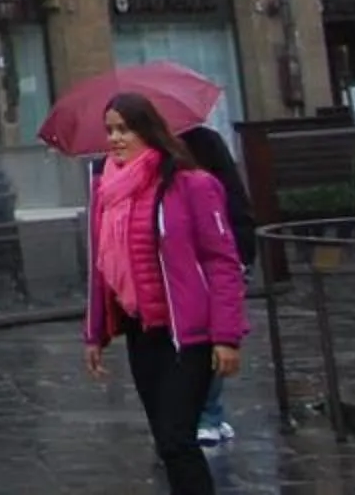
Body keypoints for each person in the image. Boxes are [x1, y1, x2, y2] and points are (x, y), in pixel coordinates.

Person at [83, 91, 247, 495]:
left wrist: (226, 336)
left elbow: (222, 262)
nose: (115, 138)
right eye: (110, 130)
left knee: (177, 437)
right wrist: (95, 333)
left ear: (148, 131)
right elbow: (102, 267)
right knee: (166, 440)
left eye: (125, 129)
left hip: (187, 334)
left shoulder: (192, 185)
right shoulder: (108, 193)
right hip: (142, 331)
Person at [178, 123, 259, 448]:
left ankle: (209, 413)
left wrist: (241, 252)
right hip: (185, 259)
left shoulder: (202, 143)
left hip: (219, 250)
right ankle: (206, 412)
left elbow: (233, 198)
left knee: (215, 333)